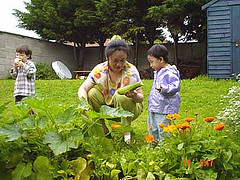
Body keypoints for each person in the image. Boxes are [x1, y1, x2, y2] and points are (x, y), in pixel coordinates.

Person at [78, 39, 144, 144]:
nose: (119, 64)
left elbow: (141, 98)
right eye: (115, 60)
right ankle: (104, 131)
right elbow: (83, 89)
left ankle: (127, 136)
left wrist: (134, 96)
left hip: (130, 109)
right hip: (108, 108)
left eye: (123, 60)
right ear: (107, 58)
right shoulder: (99, 70)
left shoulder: (131, 70)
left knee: (120, 96)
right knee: (91, 93)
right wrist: (84, 104)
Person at [147, 44, 180, 143]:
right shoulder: (158, 72)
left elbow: (175, 86)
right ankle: (153, 144)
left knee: (163, 128)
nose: (151, 65)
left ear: (161, 60)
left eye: (152, 62)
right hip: (155, 106)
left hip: (164, 108)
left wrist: (163, 88)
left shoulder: (170, 72)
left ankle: (164, 147)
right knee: (152, 127)